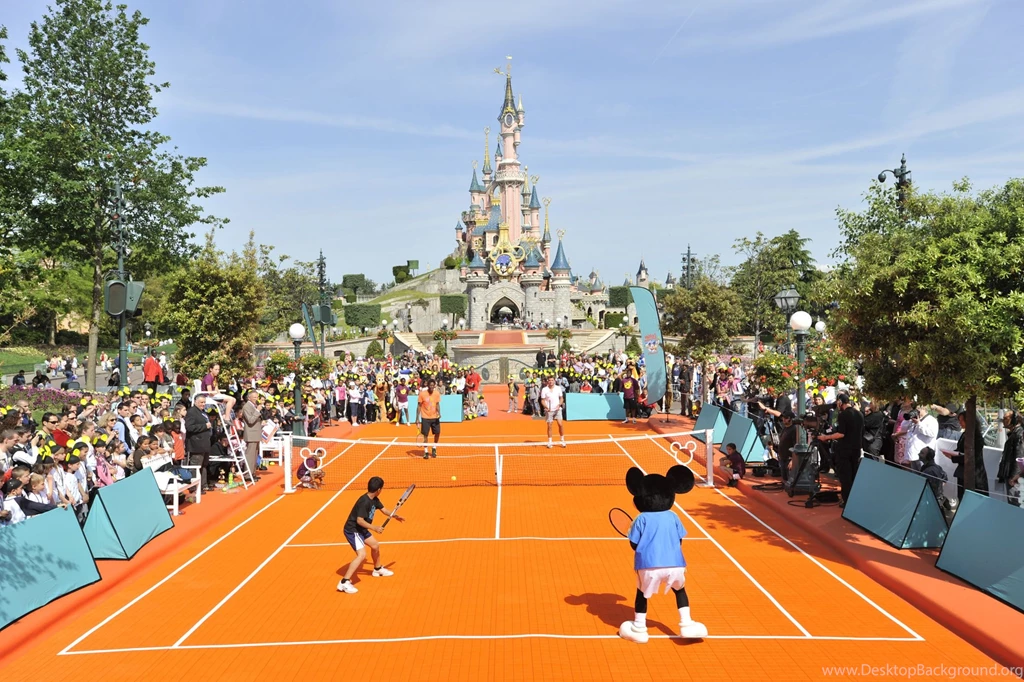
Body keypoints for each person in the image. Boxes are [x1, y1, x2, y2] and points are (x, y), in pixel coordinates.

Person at [337, 476, 404, 594]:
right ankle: (344, 582)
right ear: (379, 489)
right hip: (354, 530)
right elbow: (359, 520)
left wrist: (395, 515)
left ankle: (377, 569)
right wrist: (375, 528)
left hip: (361, 529)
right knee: (361, 555)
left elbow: (384, 510)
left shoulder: (374, 499)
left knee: (375, 546)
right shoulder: (364, 501)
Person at [815, 393, 863, 507]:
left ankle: (846, 501)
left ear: (840, 402)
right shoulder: (859, 414)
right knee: (853, 474)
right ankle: (853, 499)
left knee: (845, 476)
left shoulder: (844, 415)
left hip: (845, 449)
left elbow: (841, 434)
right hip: (856, 448)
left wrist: (825, 437)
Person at [185, 394, 214, 492]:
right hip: (196, 444)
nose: (203, 404)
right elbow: (189, 427)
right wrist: (204, 426)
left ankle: (203, 484)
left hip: (205, 443)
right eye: (201, 402)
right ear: (196, 402)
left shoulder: (203, 412)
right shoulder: (192, 412)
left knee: (204, 465)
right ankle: (193, 487)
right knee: (196, 466)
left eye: (204, 402)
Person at [998, 410, 1024, 504]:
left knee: (1015, 503)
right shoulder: (1015, 433)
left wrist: (1014, 477)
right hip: (1011, 476)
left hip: (1014, 479)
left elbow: (1020, 456)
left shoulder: (1019, 434)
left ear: (1014, 419)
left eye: (1005, 418)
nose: (1003, 420)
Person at [240, 389, 263, 482]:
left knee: (254, 455)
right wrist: (257, 411)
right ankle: (248, 474)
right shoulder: (246, 407)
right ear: (249, 397)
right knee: (250, 455)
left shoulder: (254, 405)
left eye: (257, 397)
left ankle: (252, 473)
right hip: (251, 434)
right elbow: (250, 420)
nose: (256, 399)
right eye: (254, 397)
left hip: (255, 433)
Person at [418, 377, 442, 459]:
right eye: (430, 385)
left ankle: (434, 447)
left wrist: (439, 412)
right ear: (428, 385)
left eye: (433, 385)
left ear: (434, 386)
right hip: (425, 417)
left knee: (438, 433)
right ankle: (426, 451)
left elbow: (437, 404)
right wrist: (417, 417)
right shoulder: (422, 394)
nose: (432, 386)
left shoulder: (437, 393)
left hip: (435, 417)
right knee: (425, 435)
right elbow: (419, 406)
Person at [540, 376, 566, 449]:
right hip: (549, 410)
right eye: (549, 380)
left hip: (557, 409)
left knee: (560, 424)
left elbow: (561, 398)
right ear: (547, 381)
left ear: (554, 381)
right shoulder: (544, 390)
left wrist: (559, 404)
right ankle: (550, 441)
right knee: (549, 425)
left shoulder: (558, 388)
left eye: (552, 380)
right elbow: (542, 400)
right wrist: (546, 407)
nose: (551, 381)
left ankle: (562, 439)